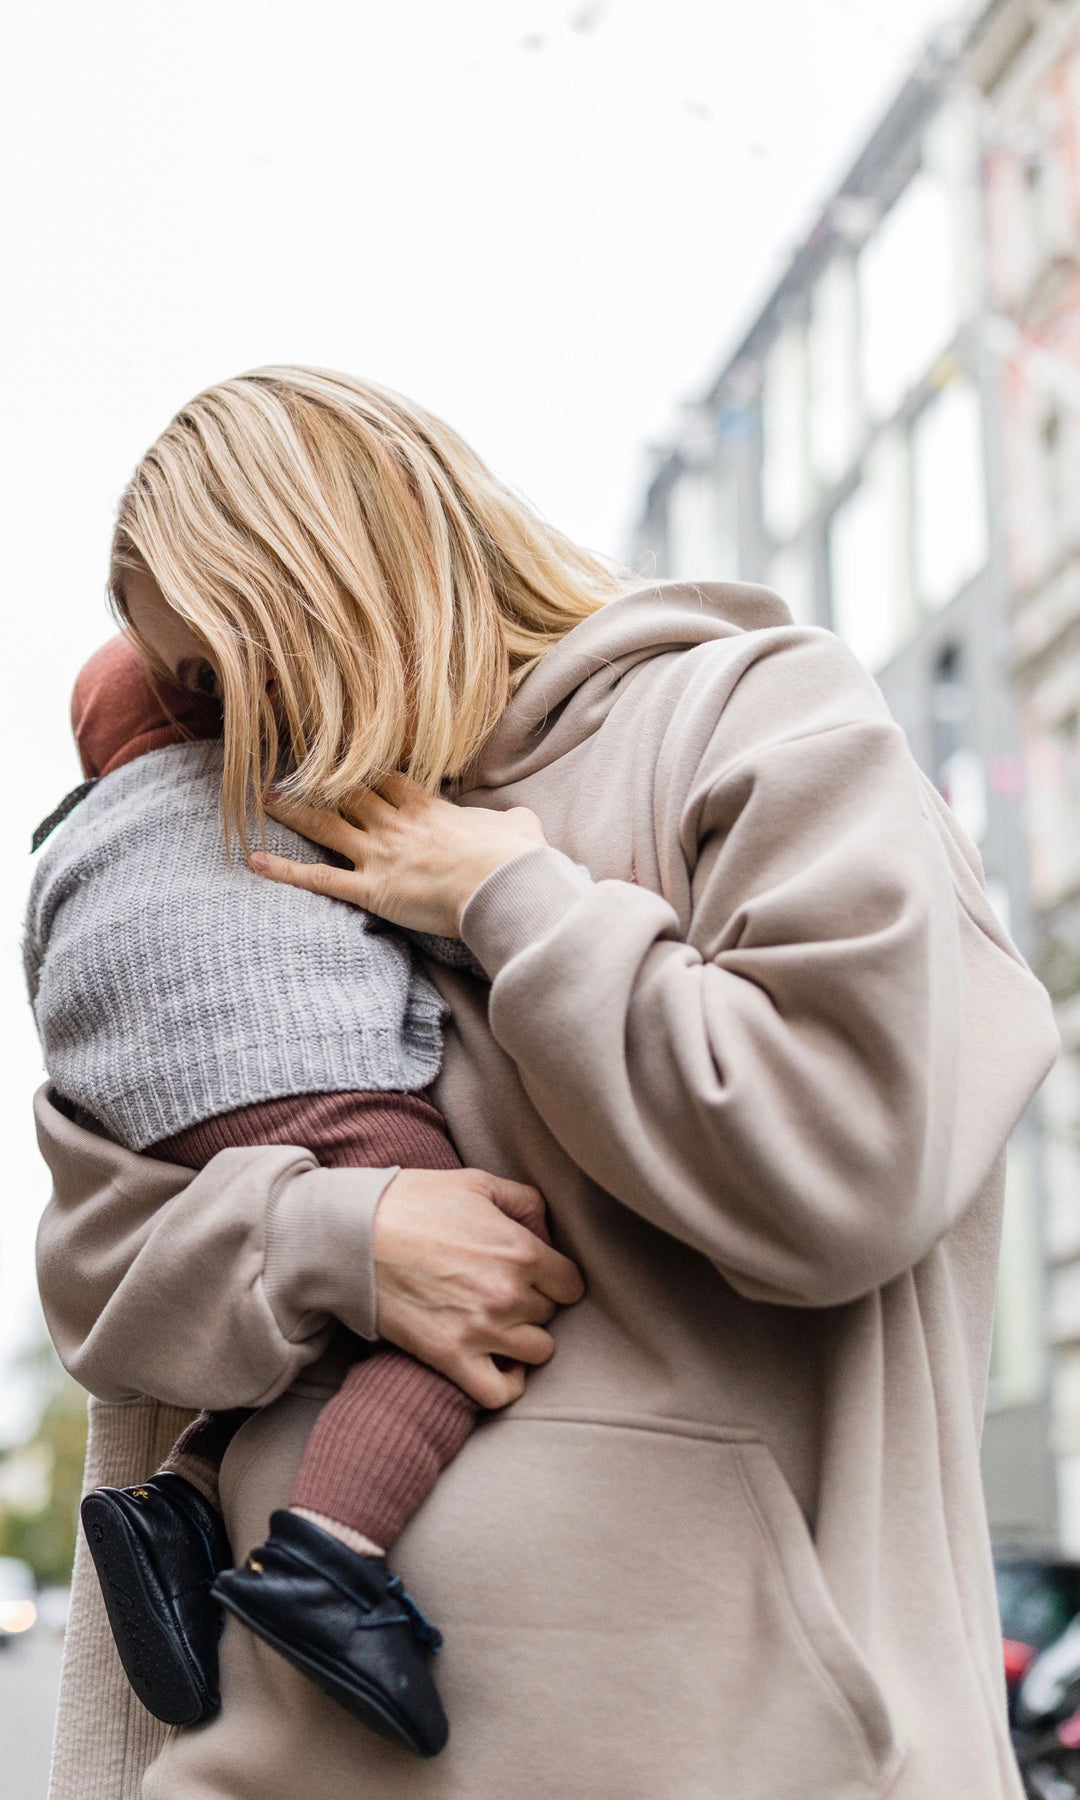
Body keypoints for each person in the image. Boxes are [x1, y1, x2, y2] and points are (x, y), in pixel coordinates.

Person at [34, 366, 1058, 1800]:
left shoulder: (755, 716)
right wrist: (348, 1242)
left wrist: (514, 898)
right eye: (196, 685)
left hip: (742, 1758)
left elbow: (846, 1169)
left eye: (246, 655)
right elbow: (100, 1283)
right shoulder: (228, 841)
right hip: (282, 1761)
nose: (233, 724)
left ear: (376, 533)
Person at [27, 634, 575, 1758]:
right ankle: (329, 1556)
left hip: (167, 1136)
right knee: (466, 1295)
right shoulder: (273, 796)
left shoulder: (68, 854)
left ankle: (183, 1495)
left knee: (307, 1329)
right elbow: (435, 910)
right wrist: (515, 896)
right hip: (317, 1071)